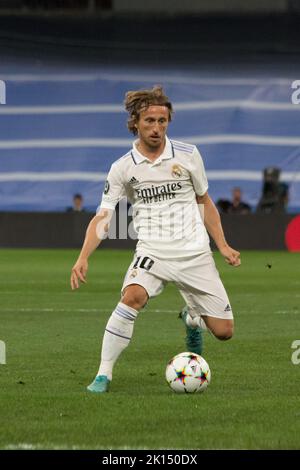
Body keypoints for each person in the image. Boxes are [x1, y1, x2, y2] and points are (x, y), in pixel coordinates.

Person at [70, 86, 241, 393]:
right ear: (135, 122)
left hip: (195, 254)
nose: (157, 128)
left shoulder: (189, 155)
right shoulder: (122, 167)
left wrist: (223, 245)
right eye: (150, 121)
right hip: (153, 253)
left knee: (225, 332)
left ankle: (191, 319)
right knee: (132, 296)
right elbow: (104, 217)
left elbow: (205, 201)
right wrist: (83, 257)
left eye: (163, 121)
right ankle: (103, 374)